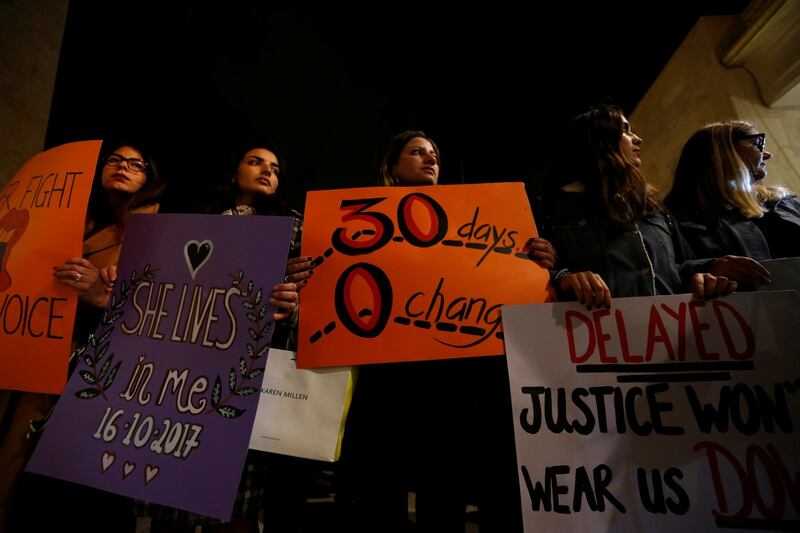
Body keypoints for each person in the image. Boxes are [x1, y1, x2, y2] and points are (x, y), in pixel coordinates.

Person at [341, 131, 553, 533]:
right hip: (386, 379)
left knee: (444, 489)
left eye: (434, 154)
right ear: (392, 166)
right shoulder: (359, 222)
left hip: (448, 380)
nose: (430, 159)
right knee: (381, 490)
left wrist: (537, 263)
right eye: (417, 152)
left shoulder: (469, 220)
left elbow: (495, 281)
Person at [138, 140, 311, 533]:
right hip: (186, 365)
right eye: (255, 162)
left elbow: (309, 294)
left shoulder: (293, 225)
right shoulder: (197, 221)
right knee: (173, 489)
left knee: (235, 499)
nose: (267, 170)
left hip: (248, 368)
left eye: (275, 167)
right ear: (234, 172)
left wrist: (293, 303)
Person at [1, 140, 164, 532]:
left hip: (93, 368)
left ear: (149, 179)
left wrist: (101, 295)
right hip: (36, 345)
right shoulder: (67, 219)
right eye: (115, 160)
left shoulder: (153, 229)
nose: (123, 167)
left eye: (136, 164)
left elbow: (154, 307)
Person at [539, 105, 769, 308]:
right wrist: (564, 277)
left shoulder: (653, 209)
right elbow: (536, 271)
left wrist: (709, 270)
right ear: (598, 140)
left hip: (668, 340)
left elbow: (677, 268)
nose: (638, 138)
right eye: (625, 130)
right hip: (601, 342)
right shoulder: (554, 210)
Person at [665, 120, 800, 262]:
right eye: (756, 144)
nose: (767, 154)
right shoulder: (684, 227)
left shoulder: (780, 201)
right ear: (722, 153)